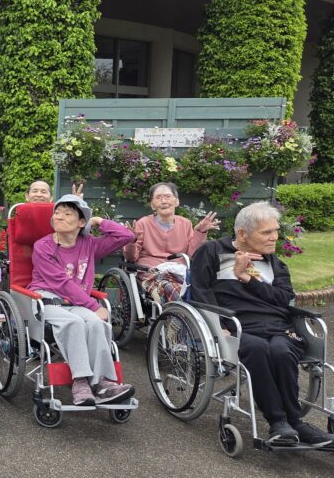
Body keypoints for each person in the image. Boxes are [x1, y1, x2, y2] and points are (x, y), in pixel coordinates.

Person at [190, 201, 334, 447]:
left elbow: (283, 298)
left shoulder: (274, 263)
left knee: (281, 350)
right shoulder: (212, 252)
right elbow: (201, 292)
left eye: (275, 230)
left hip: (278, 327)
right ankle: (278, 422)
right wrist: (218, 325)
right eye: (267, 232)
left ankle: (296, 423)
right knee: (257, 349)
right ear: (242, 233)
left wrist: (247, 278)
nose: (274, 237)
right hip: (236, 327)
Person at [29, 195, 136, 406]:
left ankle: (103, 382)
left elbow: (126, 235)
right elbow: (61, 283)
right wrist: (94, 306)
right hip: (47, 300)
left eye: (67, 214)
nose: (59, 217)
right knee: (75, 323)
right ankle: (80, 382)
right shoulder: (43, 246)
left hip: (77, 303)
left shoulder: (89, 244)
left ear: (81, 222)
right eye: (57, 212)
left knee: (97, 324)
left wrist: (97, 221)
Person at [123, 182, 218, 304]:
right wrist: (131, 241)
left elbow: (192, 255)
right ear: (152, 205)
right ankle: (179, 314)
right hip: (152, 272)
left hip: (179, 272)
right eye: (158, 197)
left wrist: (200, 232)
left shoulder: (185, 223)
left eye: (167, 196)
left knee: (203, 287)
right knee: (170, 288)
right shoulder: (143, 223)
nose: (163, 201)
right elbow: (131, 257)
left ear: (176, 201)